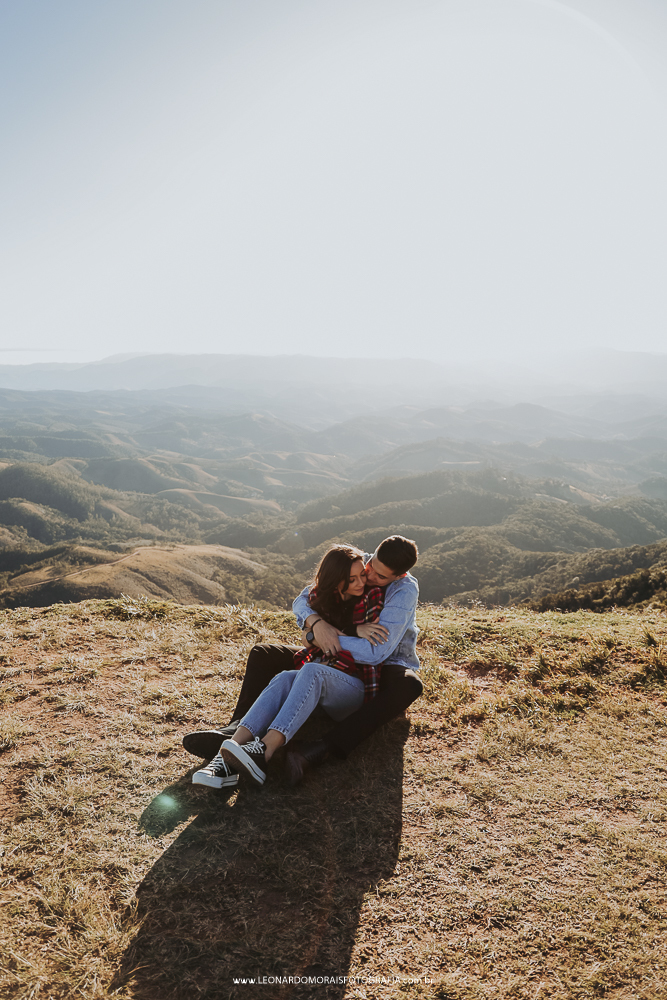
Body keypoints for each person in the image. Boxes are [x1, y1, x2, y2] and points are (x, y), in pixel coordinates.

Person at [184, 534, 421, 784]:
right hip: (332, 663)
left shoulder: (400, 590)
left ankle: (267, 751)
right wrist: (316, 624)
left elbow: (375, 653)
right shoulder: (356, 565)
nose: (369, 577)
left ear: (398, 576)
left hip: (379, 668)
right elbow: (303, 600)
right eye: (369, 568)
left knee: (405, 684)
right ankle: (229, 748)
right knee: (279, 669)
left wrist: (323, 636)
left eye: (380, 577)